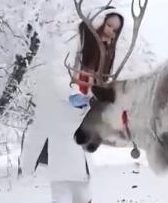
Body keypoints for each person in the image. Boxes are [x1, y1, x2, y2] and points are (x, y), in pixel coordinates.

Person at [20, 12, 124, 203]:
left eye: (115, 30)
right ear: (99, 22)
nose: (111, 32)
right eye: (108, 26)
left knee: (82, 188)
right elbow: (56, 71)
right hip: (62, 115)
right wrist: (71, 94)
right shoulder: (73, 39)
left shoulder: (102, 55)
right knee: (64, 187)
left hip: (80, 122)